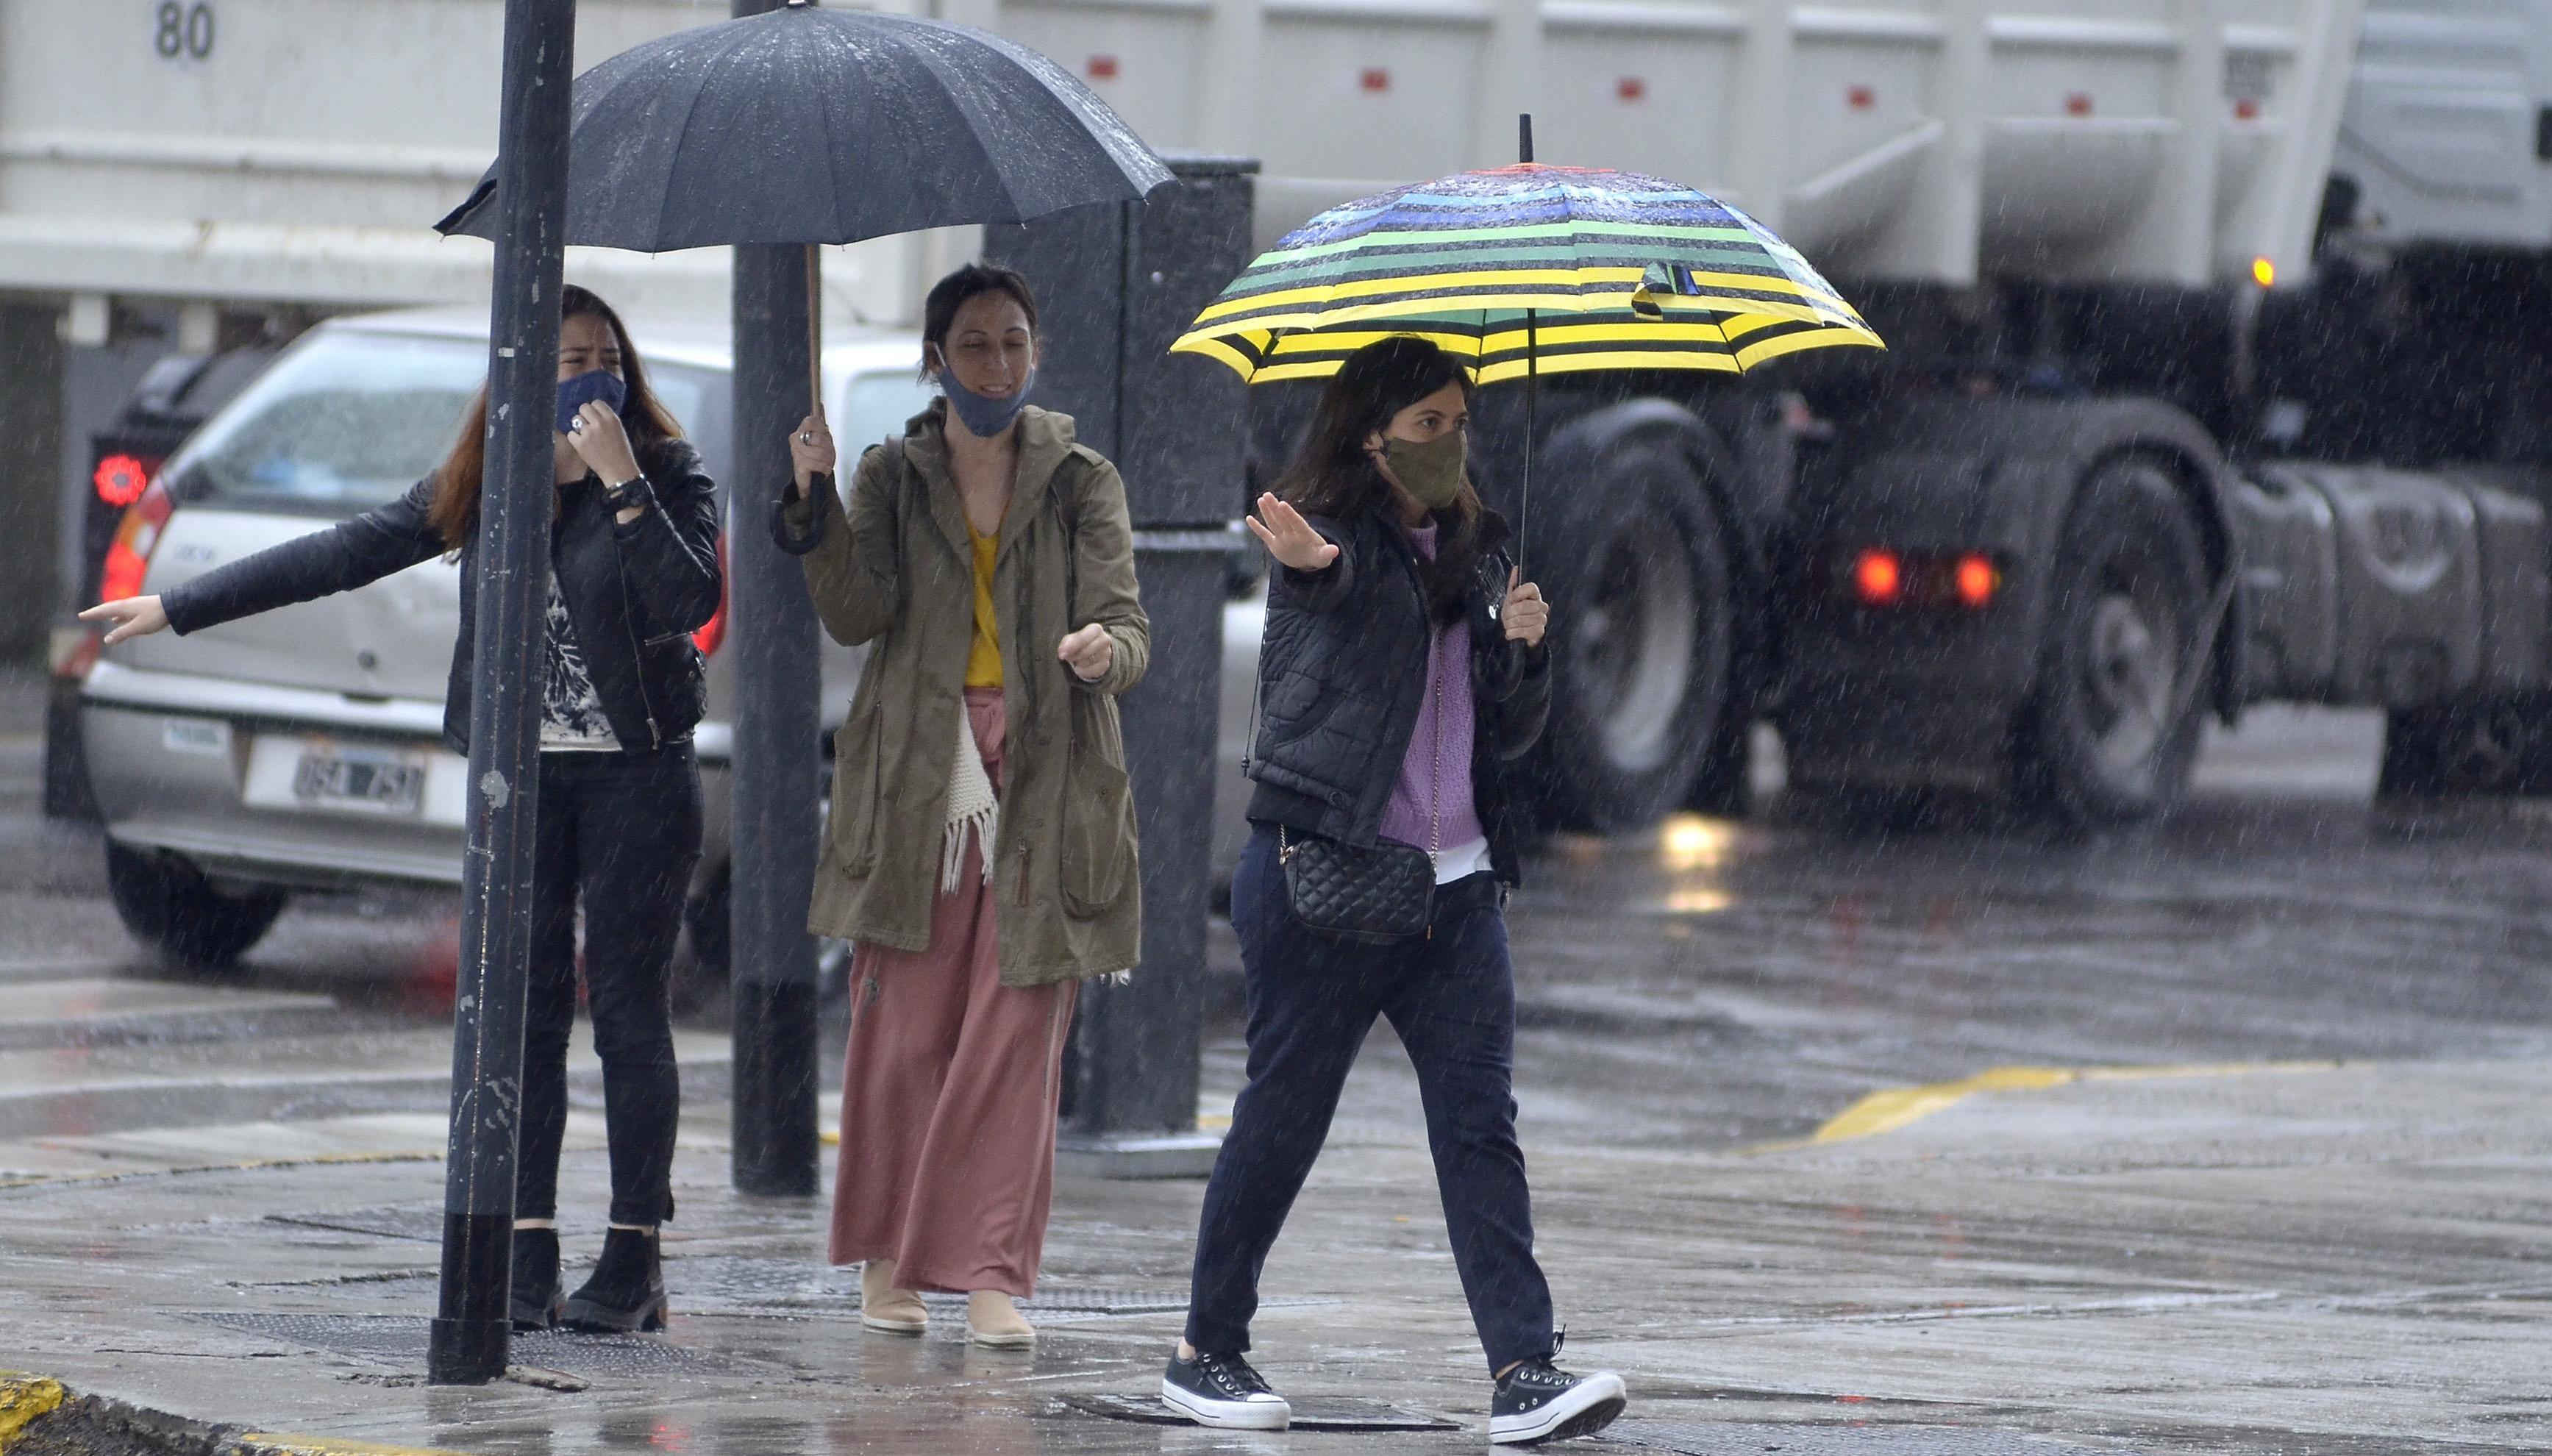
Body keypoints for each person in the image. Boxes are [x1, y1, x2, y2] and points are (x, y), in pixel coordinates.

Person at [82, 286, 717, 1336]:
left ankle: (634, 1257)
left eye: (606, 356)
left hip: (637, 780)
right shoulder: (491, 481)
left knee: (630, 1018)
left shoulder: (670, 473)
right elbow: (346, 550)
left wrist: (622, 485)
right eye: (566, 360)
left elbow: (685, 602)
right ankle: (527, 1249)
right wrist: (179, 605)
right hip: (524, 786)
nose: (590, 375)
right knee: (524, 1022)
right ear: (522, 376)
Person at [1157, 336, 1626, 1443]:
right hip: (1325, 876)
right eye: (1427, 426)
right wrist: (1323, 570)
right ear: (1371, 436)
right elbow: (1343, 605)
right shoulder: (1327, 537)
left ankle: (1524, 1367)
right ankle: (1205, 1349)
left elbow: (1508, 738)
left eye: (1459, 422)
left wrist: (1526, 651)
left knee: (1479, 1129)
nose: (1448, 443)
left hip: (1455, 895)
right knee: (1284, 1118)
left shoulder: (1483, 547)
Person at [774, 263, 1147, 1349]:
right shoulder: (892, 476)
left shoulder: (1083, 480)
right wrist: (814, 502)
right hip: (922, 779)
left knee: (1016, 1031)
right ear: (935, 361)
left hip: (1049, 779)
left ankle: (988, 1274)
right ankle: (889, 1261)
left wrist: (1098, 651)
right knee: (907, 1035)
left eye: (1015, 342)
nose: (999, 364)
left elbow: (1130, 628)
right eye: (975, 346)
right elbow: (857, 612)